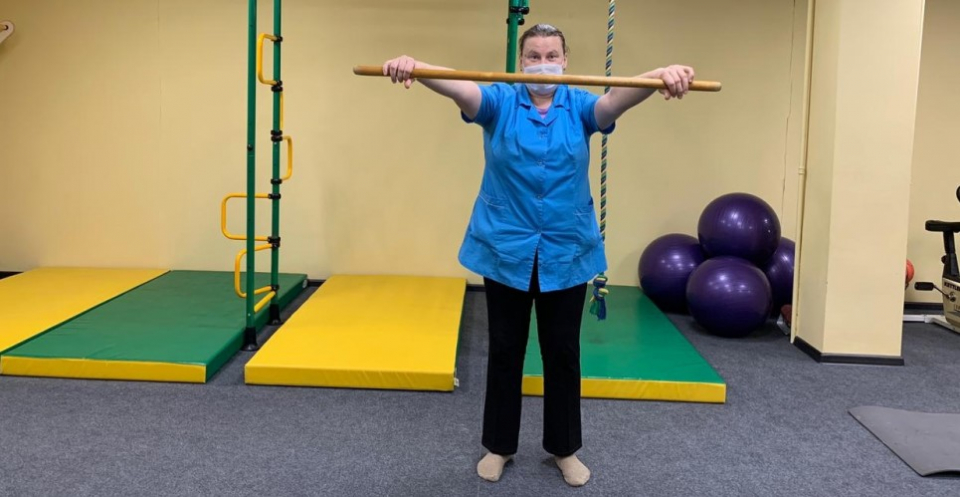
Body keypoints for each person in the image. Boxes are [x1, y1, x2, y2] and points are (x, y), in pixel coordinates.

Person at [382, 23, 695, 487]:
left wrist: (660, 74)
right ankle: (499, 446)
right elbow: (457, 85)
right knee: (505, 349)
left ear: (565, 61)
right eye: (533, 56)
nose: (543, 64)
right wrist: (416, 66)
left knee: (562, 352)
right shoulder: (500, 102)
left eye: (551, 56)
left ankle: (564, 449)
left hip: (566, 250)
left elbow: (620, 98)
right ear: (521, 62)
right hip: (505, 247)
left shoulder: (580, 105)